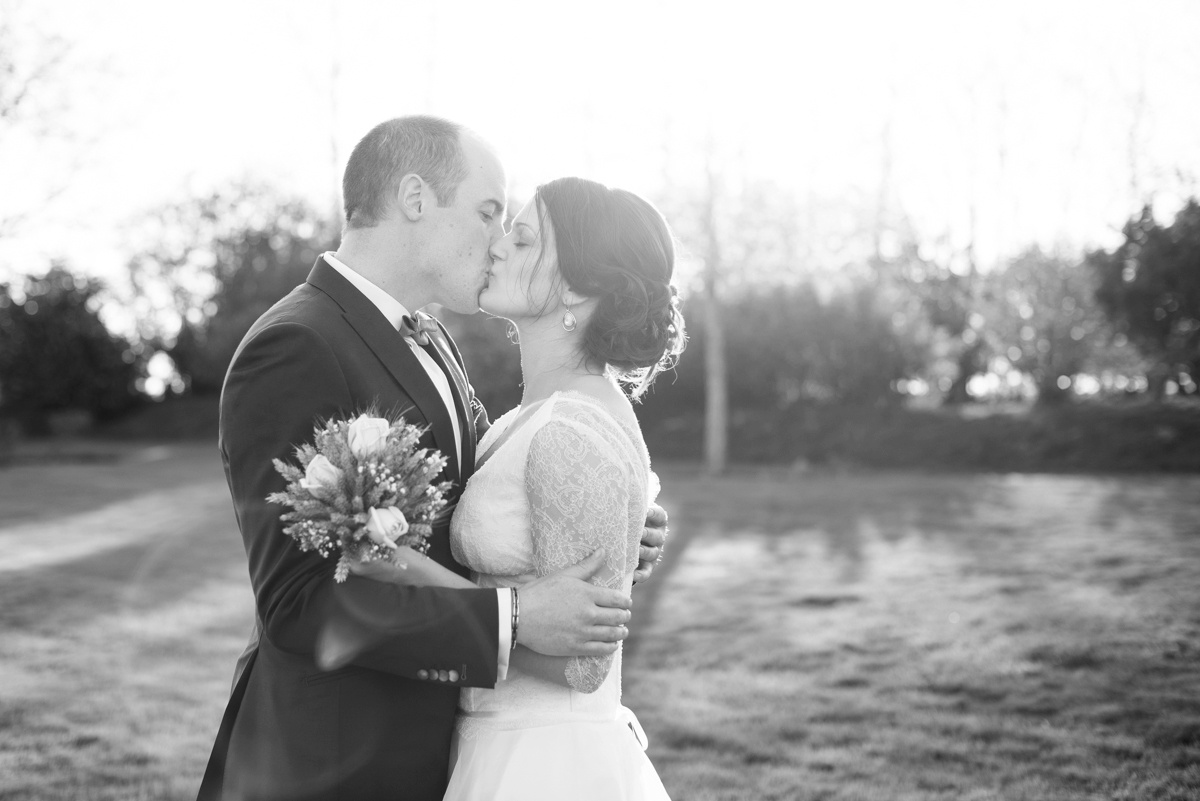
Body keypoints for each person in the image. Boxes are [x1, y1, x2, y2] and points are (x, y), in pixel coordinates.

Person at [197, 117, 668, 801]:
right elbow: (300, 599)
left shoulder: (433, 341)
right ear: (416, 199)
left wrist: (623, 517)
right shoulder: (298, 344)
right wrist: (511, 620)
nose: (497, 238)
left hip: (446, 749)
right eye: (488, 211)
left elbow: (486, 493)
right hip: (333, 760)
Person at [354, 176, 684, 799]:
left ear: (580, 289)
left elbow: (583, 663)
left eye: (524, 238)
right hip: (499, 742)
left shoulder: (570, 429)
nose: (499, 246)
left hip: (544, 763)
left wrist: (404, 576)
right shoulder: (529, 417)